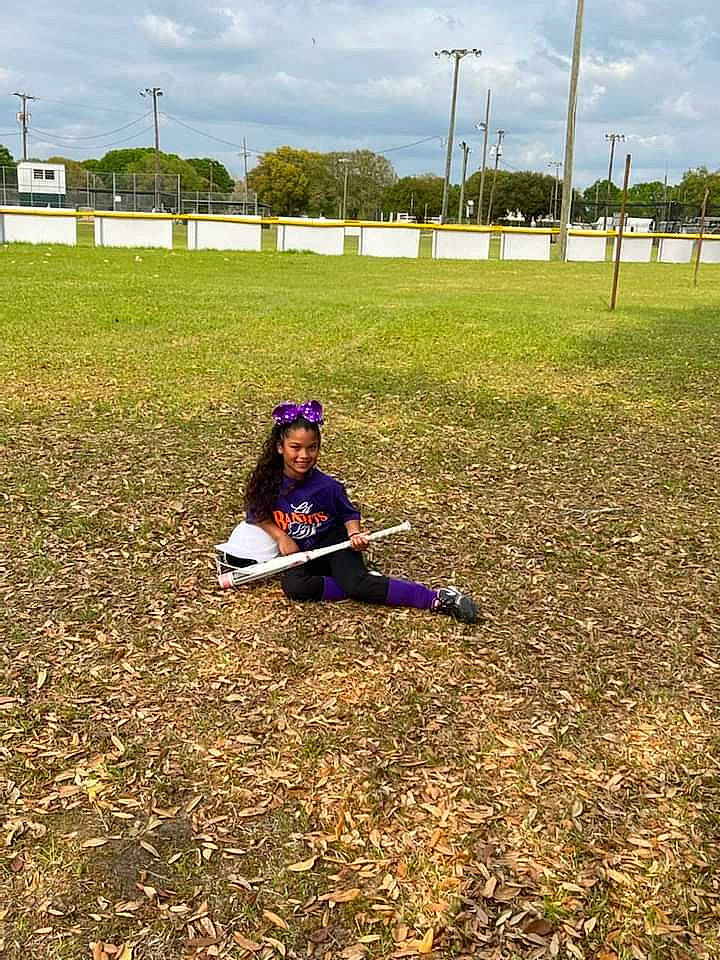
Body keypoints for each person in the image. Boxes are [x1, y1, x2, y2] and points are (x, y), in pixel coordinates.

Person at [239, 400, 480, 624]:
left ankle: (436, 597)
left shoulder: (328, 487)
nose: (304, 455)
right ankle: (365, 583)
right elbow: (256, 511)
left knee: (357, 585)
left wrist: (354, 534)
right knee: (295, 588)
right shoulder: (268, 482)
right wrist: (282, 537)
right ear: (280, 447)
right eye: (295, 447)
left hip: (335, 542)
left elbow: (348, 514)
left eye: (312, 448)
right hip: (301, 550)